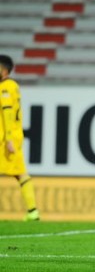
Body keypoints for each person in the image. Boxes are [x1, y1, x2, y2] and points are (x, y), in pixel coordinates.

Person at [0, 55, 40, 222]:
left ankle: (33, 211)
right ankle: (32, 211)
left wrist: (8, 139)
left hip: (7, 138)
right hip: (11, 136)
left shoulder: (6, 87)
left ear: (4, 70)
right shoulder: (12, 86)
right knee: (20, 174)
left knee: (21, 174)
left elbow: (8, 114)